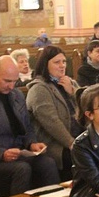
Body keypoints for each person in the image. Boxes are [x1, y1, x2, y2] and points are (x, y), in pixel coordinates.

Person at [0, 56, 60, 197]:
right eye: (7, 81)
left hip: (17, 153)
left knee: (48, 163)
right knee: (22, 169)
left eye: (15, 81)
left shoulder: (16, 95)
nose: (12, 86)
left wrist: (32, 143)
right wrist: (1, 154)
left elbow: (27, 127)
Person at [26, 46, 83, 180]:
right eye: (57, 62)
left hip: (79, 137)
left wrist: (73, 92)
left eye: (64, 61)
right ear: (46, 64)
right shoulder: (39, 88)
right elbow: (52, 122)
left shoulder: (70, 82)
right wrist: (72, 144)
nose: (62, 65)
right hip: (55, 145)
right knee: (83, 158)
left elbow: (88, 107)